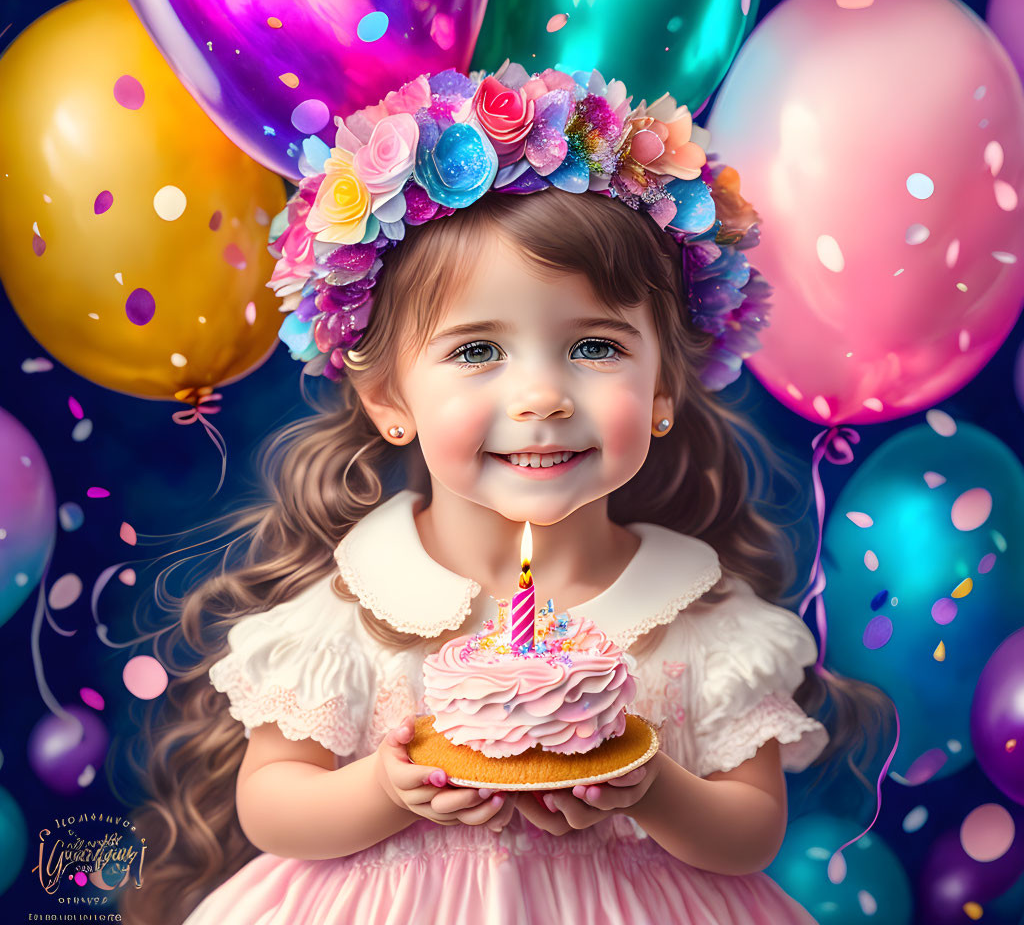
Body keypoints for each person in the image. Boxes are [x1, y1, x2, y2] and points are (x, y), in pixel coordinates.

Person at [117, 65, 894, 925]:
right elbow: (272, 806)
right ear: (389, 401)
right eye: (478, 350)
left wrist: (654, 790)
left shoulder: (706, 624)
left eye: (595, 349)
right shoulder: (358, 609)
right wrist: (384, 788)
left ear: (666, 387)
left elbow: (750, 834)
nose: (542, 398)